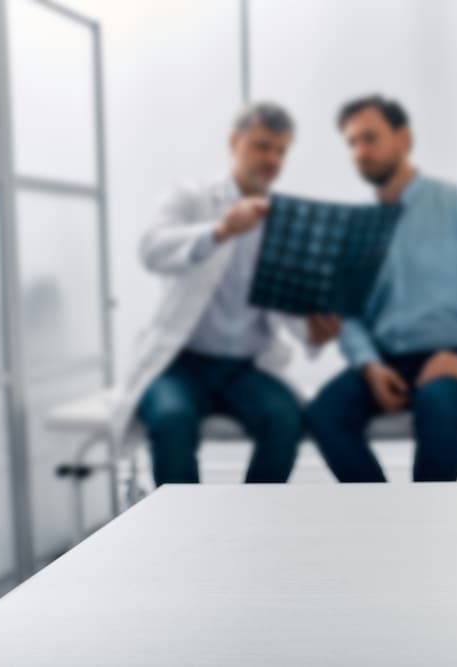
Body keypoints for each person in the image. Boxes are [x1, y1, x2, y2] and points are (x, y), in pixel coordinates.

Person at [111, 102, 341, 486]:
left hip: (245, 368)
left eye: (280, 150)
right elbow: (150, 249)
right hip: (179, 363)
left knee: (285, 420)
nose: (271, 158)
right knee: (170, 421)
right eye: (262, 146)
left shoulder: (280, 221)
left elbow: (286, 307)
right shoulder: (189, 197)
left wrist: (314, 333)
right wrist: (219, 230)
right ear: (235, 142)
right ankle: (184, 537)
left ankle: (250, 526)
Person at [306, 95, 457, 482]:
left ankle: (431, 527)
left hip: (455, 359)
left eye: (369, 138)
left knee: (437, 402)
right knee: (324, 413)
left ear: (403, 138)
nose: (360, 152)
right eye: (352, 143)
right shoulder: (357, 227)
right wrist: (369, 365)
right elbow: (348, 311)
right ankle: (383, 518)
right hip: (386, 361)